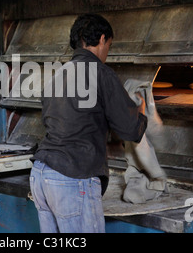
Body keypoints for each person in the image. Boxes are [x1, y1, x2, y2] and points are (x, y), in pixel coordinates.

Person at [29, 13, 148, 233]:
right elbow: (130, 129)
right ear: (102, 39)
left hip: (41, 176)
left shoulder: (57, 75)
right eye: (109, 46)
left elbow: (57, 121)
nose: (107, 53)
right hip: (72, 178)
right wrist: (141, 109)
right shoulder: (101, 74)